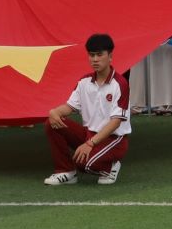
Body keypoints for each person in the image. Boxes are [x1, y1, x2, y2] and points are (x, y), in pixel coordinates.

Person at [43, 33, 131, 186]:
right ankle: (66, 172)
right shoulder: (84, 82)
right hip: (89, 134)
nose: (95, 59)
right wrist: (54, 112)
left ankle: (111, 167)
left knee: (85, 164)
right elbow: (69, 107)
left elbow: (116, 122)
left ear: (110, 56)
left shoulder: (120, 84)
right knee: (51, 123)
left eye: (99, 55)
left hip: (114, 139)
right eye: (91, 55)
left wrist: (89, 144)